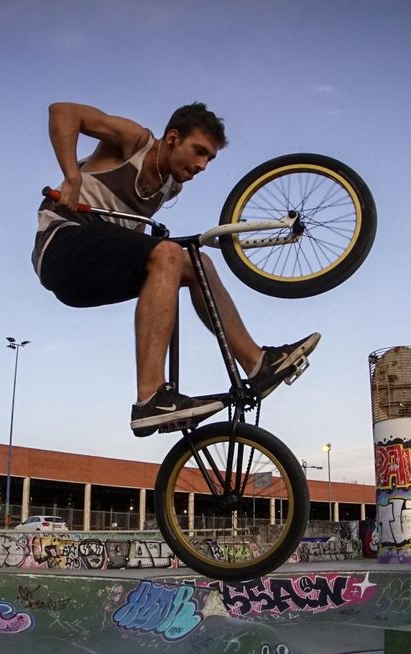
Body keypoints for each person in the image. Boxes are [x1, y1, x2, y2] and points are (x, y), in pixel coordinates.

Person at [33, 101, 320, 437]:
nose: (201, 165)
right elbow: (63, 112)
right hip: (61, 244)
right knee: (170, 254)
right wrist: (72, 175)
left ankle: (256, 364)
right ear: (171, 138)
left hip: (88, 275)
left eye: (209, 159)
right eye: (198, 151)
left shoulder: (171, 187)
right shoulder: (134, 141)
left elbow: (130, 244)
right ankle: (150, 396)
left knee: (196, 264)